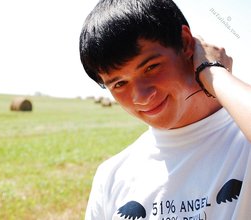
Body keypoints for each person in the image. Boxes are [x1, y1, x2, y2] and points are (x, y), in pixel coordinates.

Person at [79, 0, 251, 219]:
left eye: (151, 67)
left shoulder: (243, 144)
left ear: (187, 43)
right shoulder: (112, 176)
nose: (141, 97)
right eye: (119, 84)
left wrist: (214, 72)